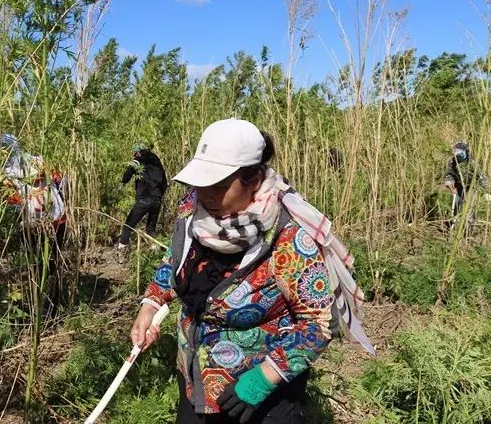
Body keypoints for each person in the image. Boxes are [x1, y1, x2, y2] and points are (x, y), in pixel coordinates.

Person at [129, 119, 374, 424]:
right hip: (195, 381)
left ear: (254, 179)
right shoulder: (192, 208)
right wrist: (151, 304)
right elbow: (175, 258)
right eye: (201, 183)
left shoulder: (287, 237)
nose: (207, 195)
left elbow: (318, 324)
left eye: (219, 186)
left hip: (257, 394)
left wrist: (265, 376)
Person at [0, 134, 68, 310]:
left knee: (35, 264)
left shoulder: (5, 173)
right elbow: (63, 182)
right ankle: (55, 302)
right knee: (53, 262)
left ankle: (41, 303)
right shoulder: (41, 160)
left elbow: (12, 204)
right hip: (58, 218)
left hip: (31, 225)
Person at [117, 143, 168, 263]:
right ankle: (155, 254)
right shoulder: (157, 163)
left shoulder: (138, 160)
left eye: (135, 153)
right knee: (150, 229)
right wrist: (159, 195)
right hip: (157, 199)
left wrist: (123, 182)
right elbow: (164, 182)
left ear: (138, 152)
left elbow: (129, 172)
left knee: (128, 226)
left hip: (144, 199)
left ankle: (122, 255)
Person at [443, 141, 491, 230]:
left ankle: (469, 228)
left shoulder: (472, 162)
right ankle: (455, 224)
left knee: (470, 206)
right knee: (457, 204)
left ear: (465, 152)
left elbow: (481, 177)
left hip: (472, 186)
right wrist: (451, 187)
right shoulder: (452, 161)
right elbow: (449, 175)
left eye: (460, 154)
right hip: (458, 186)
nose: (458, 157)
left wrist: (486, 192)